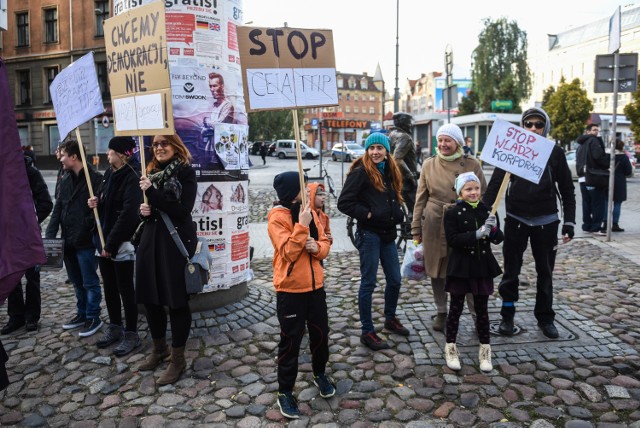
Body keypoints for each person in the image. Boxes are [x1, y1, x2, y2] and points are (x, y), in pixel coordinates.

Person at [483, 107, 576, 339]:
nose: (533, 128)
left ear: (546, 127)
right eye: (529, 124)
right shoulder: (513, 148)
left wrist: (570, 222)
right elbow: (495, 183)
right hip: (516, 218)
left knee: (545, 271)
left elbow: (567, 189)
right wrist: (482, 212)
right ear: (522, 126)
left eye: (538, 124)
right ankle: (507, 314)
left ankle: (545, 317)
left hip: (546, 220)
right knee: (511, 271)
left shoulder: (554, 152)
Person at [267, 171, 334, 419]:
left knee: (320, 335)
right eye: (303, 188)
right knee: (290, 341)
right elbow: (288, 253)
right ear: (290, 192)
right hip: (290, 290)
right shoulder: (277, 217)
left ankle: (320, 373)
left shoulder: (310, 211)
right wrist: (302, 226)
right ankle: (285, 391)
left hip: (315, 288)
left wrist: (318, 248)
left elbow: (326, 241)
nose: (308, 191)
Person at [338, 132, 410, 351]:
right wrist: (367, 214)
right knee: (368, 282)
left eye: (380, 148)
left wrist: (396, 212)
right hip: (369, 235)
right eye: (372, 148)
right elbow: (344, 203)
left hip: (388, 234)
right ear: (367, 151)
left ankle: (390, 318)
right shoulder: (361, 172)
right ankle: (367, 331)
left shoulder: (390, 171)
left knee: (395, 280)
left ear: (386, 151)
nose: (376, 152)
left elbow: (394, 197)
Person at [136, 134, 197, 385]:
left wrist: (153, 195)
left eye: (165, 143)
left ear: (176, 146)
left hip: (174, 244)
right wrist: (143, 211)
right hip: (150, 242)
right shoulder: (148, 173)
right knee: (150, 299)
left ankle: (177, 360)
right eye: (156, 144)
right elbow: (148, 211)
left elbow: (182, 211)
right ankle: (159, 349)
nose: (159, 148)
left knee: (176, 302)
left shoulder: (185, 173)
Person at [412, 123, 484, 332]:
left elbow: (484, 195)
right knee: (437, 271)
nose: (443, 144)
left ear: (457, 142)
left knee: (468, 271)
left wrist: (483, 221)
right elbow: (420, 198)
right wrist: (416, 227)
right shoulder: (429, 165)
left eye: (447, 140)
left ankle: (476, 315)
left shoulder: (472, 164)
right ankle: (442, 311)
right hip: (435, 222)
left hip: (465, 222)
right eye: (440, 140)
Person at [443, 172, 503, 372]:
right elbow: (452, 239)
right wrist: (476, 234)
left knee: (482, 311)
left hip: (481, 266)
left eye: (476, 188)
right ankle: (451, 348)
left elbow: (498, 238)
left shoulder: (489, 211)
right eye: (468, 189)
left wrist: (493, 230)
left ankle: (485, 351)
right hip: (461, 267)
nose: (473, 192)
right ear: (460, 192)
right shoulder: (452, 212)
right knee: (456, 310)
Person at [87, 136, 142, 356]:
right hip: (104, 241)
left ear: (121, 154)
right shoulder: (110, 173)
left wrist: (110, 243)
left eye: (110, 151)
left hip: (122, 243)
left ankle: (131, 334)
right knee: (109, 287)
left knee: (125, 289)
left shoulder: (133, 176)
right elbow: (105, 200)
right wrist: (96, 202)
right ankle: (115, 327)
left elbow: (129, 214)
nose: (106, 154)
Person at [45, 139, 103, 337]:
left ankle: (93, 316)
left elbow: (99, 211)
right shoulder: (65, 178)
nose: (60, 158)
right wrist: (50, 234)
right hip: (67, 241)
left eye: (63, 155)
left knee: (89, 282)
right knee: (77, 283)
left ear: (74, 156)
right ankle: (82, 313)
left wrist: (86, 225)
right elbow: (58, 207)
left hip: (85, 242)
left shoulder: (94, 178)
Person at [1, 156, 53, 334]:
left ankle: (32, 317)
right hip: (8, 235)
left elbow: (46, 203)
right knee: (12, 276)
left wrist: (29, 223)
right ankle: (16, 316)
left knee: (32, 277)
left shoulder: (30, 172)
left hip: (29, 234)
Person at [575, 123, 609, 235]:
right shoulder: (593, 141)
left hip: (582, 177)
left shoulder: (580, 144)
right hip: (593, 176)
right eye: (594, 130)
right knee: (597, 203)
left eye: (597, 130)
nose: (596, 132)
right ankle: (596, 227)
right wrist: (607, 163)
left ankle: (586, 226)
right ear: (588, 131)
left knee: (586, 202)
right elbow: (598, 157)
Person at [602, 138, 633, 232]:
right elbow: (628, 171)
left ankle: (605, 224)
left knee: (606, 202)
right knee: (617, 203)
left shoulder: (605, 155)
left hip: (606, 179)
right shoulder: (623, 157)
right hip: (619, 181)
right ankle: (615, 224)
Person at [390, 112, 418, 215]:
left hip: (396, 177)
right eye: (410, 122)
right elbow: (397, 158)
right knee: (415, 209)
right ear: (404, 122)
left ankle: (405, 229)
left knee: (405, 208)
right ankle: (411, 230)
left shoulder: (393, 134)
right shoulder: (405, 137)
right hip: (407, 180)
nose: (411, 125)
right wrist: (410, 175)